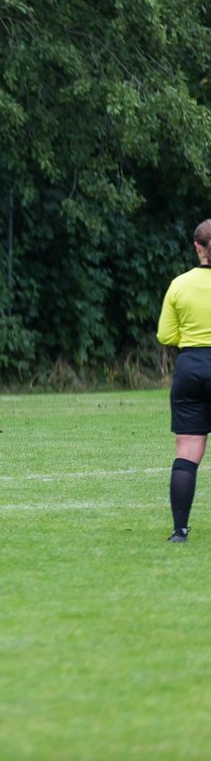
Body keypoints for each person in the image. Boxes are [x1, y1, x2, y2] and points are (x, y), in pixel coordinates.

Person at [156, 218, 211, 543]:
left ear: (197, 247)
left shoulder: (179, 284)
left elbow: (166, 334)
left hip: (190, 367)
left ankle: (180, 531)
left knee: (187, 451)